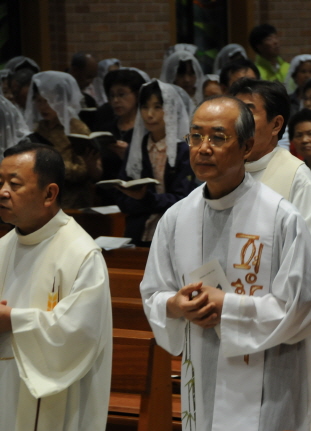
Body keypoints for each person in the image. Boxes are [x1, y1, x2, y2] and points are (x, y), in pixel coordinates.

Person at [140, 95, 311, 431]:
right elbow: (153, 291)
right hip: (202, 370)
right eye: (196, 136)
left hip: (268, 380)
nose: (203, 148)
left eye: (218, 137)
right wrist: (176, 305)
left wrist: (228, 305)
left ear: (247, 146)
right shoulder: (177, 218)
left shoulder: (281, 218)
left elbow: (305, 307)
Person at [0, 142, 112, 430]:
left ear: (49, 194)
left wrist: (12, 320)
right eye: (0, 182)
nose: (3, 192)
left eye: (14, 184)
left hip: (58, 405)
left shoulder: (81, 254)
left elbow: (79, 334)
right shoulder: (3, 247)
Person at [230, 78, 311, 264]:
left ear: (276, 125)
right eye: (234, 112)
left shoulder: (297, 178)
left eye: (247, 112)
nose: (236, 121)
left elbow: (308, 257)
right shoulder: (224, 171)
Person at [115, 79, 196, 246]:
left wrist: (145, 199)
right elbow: (122, 198)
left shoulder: (183, 150)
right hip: (138, 232)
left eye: (157, 107)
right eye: (145, 107)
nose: (149, 114)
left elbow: (183, 199)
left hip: (175, 233)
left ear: (171, 110)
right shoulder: (136, 148)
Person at [24, 71, 102, 209]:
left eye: (49, 101)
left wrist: (51, 164)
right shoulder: (38, 128)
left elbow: (84, 170)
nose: (43, 107)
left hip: (72, 200)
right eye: (39, 101)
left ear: (62, 101)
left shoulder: (76, 128)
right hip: (41, 198)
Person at [98, 68, 148, 182]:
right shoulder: (107, 129)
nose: (115, 100)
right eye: (111, 96)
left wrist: (129, 155)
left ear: (137, 95)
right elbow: (102, 174)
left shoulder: (147, 128)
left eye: (121, 94)